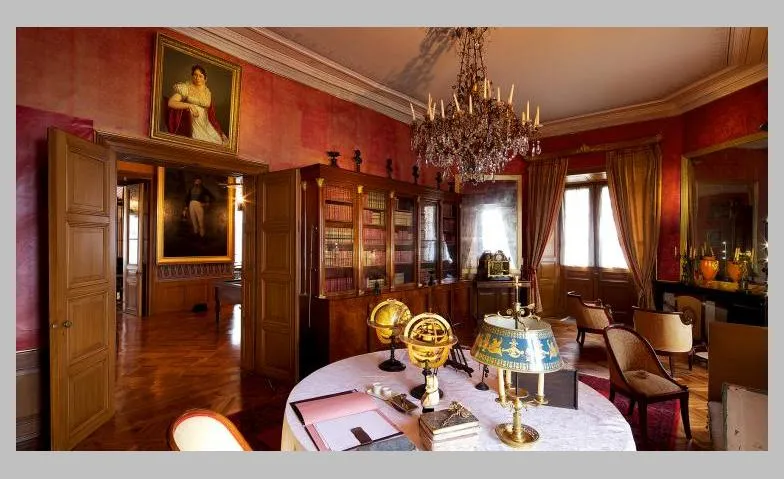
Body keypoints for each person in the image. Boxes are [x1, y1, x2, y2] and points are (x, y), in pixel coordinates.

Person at [167, 64, 228, 145]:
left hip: (206, 123)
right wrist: (190, 105)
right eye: (195, 75)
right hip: (192, 122)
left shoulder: (207, 92)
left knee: (218, 142)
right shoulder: (186, 87)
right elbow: (171, 103)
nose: (197, 78)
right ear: (192, 76)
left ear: (205, 79)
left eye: (200, 76)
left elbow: (210, 112)